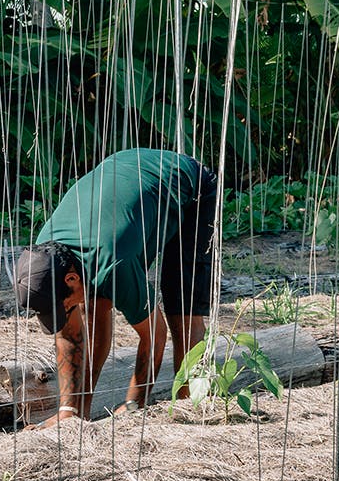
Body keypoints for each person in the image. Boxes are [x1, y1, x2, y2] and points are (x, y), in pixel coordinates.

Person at [12, 148, 218, 423]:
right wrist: (67, 413)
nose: (66, 312)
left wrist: (134, 405)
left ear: (71, 280)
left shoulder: (113, 262)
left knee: (183, 309)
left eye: (65, 306)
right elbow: (70, 336)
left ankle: (189, 402)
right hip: (126, 182)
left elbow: (155, 334)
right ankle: (79, 412)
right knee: (94, 304)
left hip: (186, 183)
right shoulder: (45, 255)